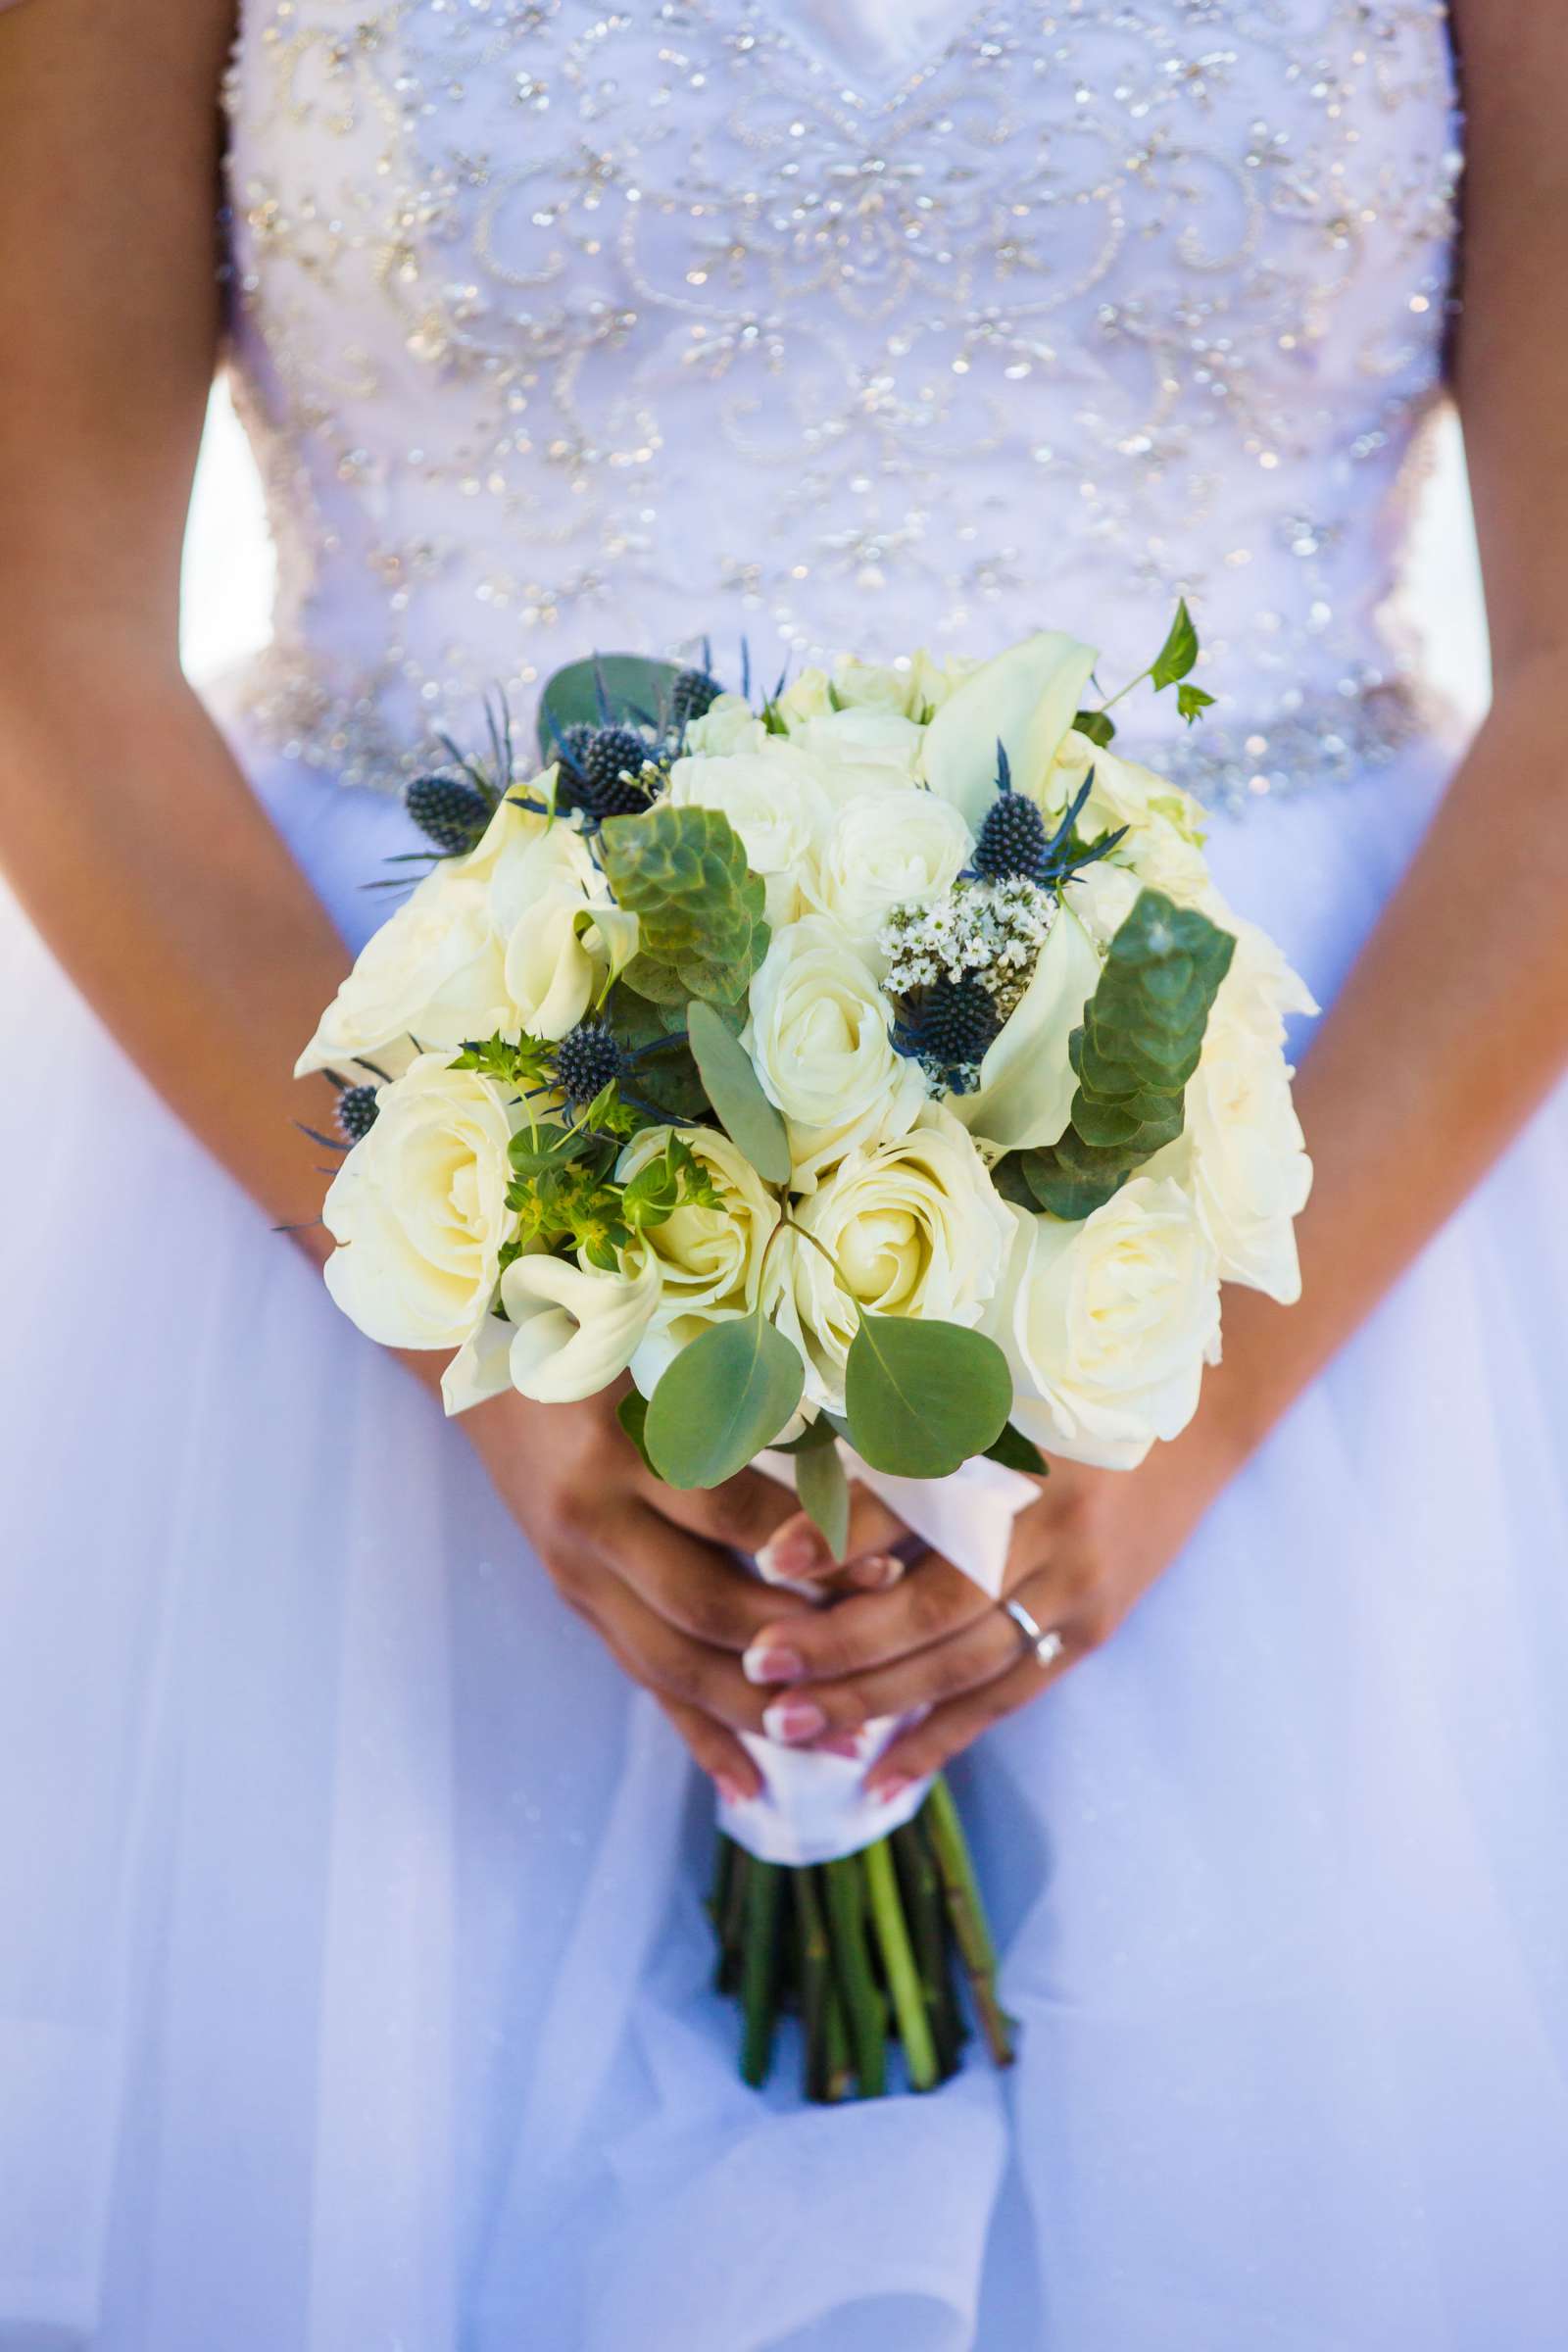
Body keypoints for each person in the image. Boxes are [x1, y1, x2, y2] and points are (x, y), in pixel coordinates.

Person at [1, 2, 1564, 2344]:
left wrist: (1196, 1390)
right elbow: (46, 639)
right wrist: (479, 1318)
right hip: (349, 1193)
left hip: (1314, 1232)